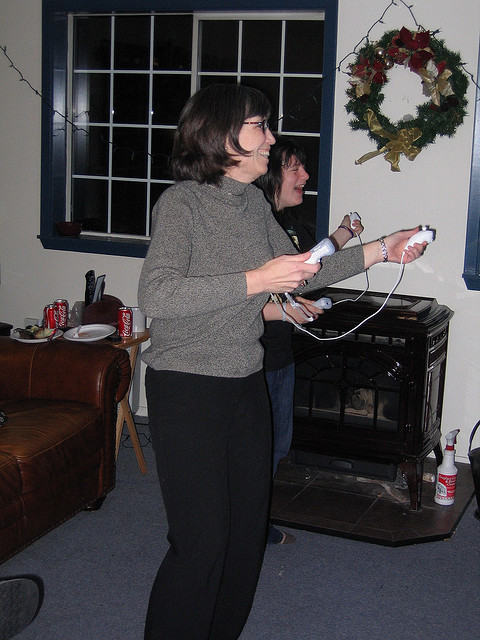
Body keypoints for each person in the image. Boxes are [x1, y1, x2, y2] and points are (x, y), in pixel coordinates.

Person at [137, 82, 427, 640]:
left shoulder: (251, 204)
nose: (271, 138)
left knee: (247, 534)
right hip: (187, 387)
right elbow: (159, 294)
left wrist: (381, 249)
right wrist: (257, 280)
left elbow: (304, 270)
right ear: (222, 135)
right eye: (260, 126)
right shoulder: (181, 204)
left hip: (245, 382)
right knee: (202, 542)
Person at [256, 136, 363, 545]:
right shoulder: (252, 224)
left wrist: (344, 233)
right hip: (252, 357)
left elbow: (314, 263)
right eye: (294, 168)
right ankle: (246, 523)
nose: (305, 175)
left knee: (277, 445)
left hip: (281, 355)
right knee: (255, 449)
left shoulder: (289, 224)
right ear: (270, 173)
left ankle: (254, 519)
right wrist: (283, 310)